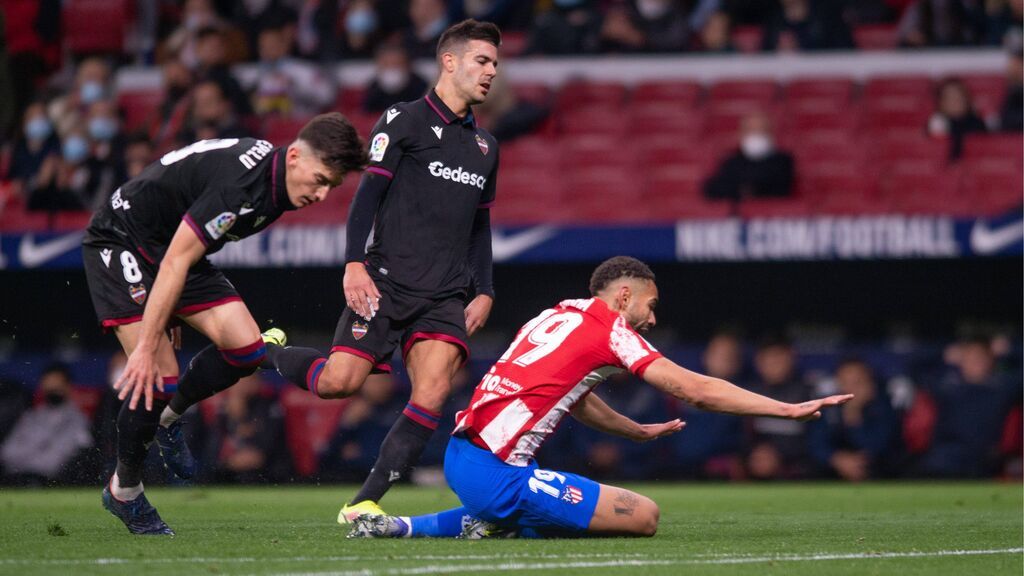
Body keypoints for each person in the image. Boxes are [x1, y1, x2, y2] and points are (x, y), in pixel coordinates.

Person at [347, 256, 852, 539]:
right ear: (625, 297)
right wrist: (785, 408)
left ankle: (402, 527)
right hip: (495, 470)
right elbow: (692, 389)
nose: (653, 320)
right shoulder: (610, 330)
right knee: (645, 517)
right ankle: (498, 521)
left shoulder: (556, 314)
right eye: (651, 307)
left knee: (519, 505)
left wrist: (631, 430)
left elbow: (575, 397)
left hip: (464, 456)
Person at [259, 19, 501, 525]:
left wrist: (486, 291)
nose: (491, 72)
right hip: (386, 281)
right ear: (449, 61)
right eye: (482, 61)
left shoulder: (485, 148)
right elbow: (367, 194)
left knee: (433, 391)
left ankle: (363, 501)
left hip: (445, 296)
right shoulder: (403, 119)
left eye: (495, 64)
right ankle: (265, 352)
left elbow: (480, 225)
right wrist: (353, 263)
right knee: (338, 383)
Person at [83, 112, 366, 535]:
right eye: (320, 178)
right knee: (156, 374)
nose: (322, 194)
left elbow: (183, 250)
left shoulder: (278, 186)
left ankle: (168, 419)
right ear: (293, 157)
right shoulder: (244, 186)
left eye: (332, 185)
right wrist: (147, 341)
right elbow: (177, 257)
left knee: (247, 349)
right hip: (122, 239)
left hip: (172, 249)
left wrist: (173, 304)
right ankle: (124, 490)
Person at [0, 363, 93, 485]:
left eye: (57, 387)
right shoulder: (31, 416)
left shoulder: (78, 420)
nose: (52, 391)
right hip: (16, 479)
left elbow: (54, 462)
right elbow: (7, 452)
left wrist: (26, 460)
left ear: (68, 387)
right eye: (49, 386)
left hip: (49, 483)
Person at [703, 112, 795, 202]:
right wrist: (745, 189)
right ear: (741, 134)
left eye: (761, 130)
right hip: (738, 214)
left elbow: (780, 189)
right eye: (751, 130)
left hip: (773, 214)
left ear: (771, 133)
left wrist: (745, 188)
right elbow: (712, 189)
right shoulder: (732, 161)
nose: (756, 135)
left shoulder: (783, 160)